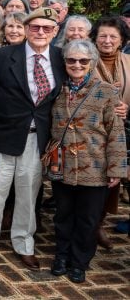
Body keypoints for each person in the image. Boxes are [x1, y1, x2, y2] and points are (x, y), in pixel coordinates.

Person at [0, 7, 65, 271]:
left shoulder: (60, 58)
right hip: (0, 136)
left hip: (38, 140)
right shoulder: (2, 57)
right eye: (35, 27)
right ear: (26, 29)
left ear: (55, 31)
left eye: (47, 28)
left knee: (28, 193)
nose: (41, 32)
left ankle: (24, 242)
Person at [49, 39, 126, 283]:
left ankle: (80, 261)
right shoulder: (56, 88)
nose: (77, 64)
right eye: (71, 60)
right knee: (63, 214)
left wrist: (116, 168)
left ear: (92, 62)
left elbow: (116, 132)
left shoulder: (106, 91)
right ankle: (61, 255)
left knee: (88, 218)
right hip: (61, 163)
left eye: (83, 60)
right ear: (65, 62)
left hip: (95, 165)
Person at [90, 17, 130, 246]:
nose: (107, 41)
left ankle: (98, 224)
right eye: (102, 36)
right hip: (92, 132)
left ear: (121, 40)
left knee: (114, 181)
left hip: (120, 134)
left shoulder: (128, 62)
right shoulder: (84, 60)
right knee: (93, 180)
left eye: (113, 37)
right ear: (94, 39)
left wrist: (127, 107)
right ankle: (87, 223)